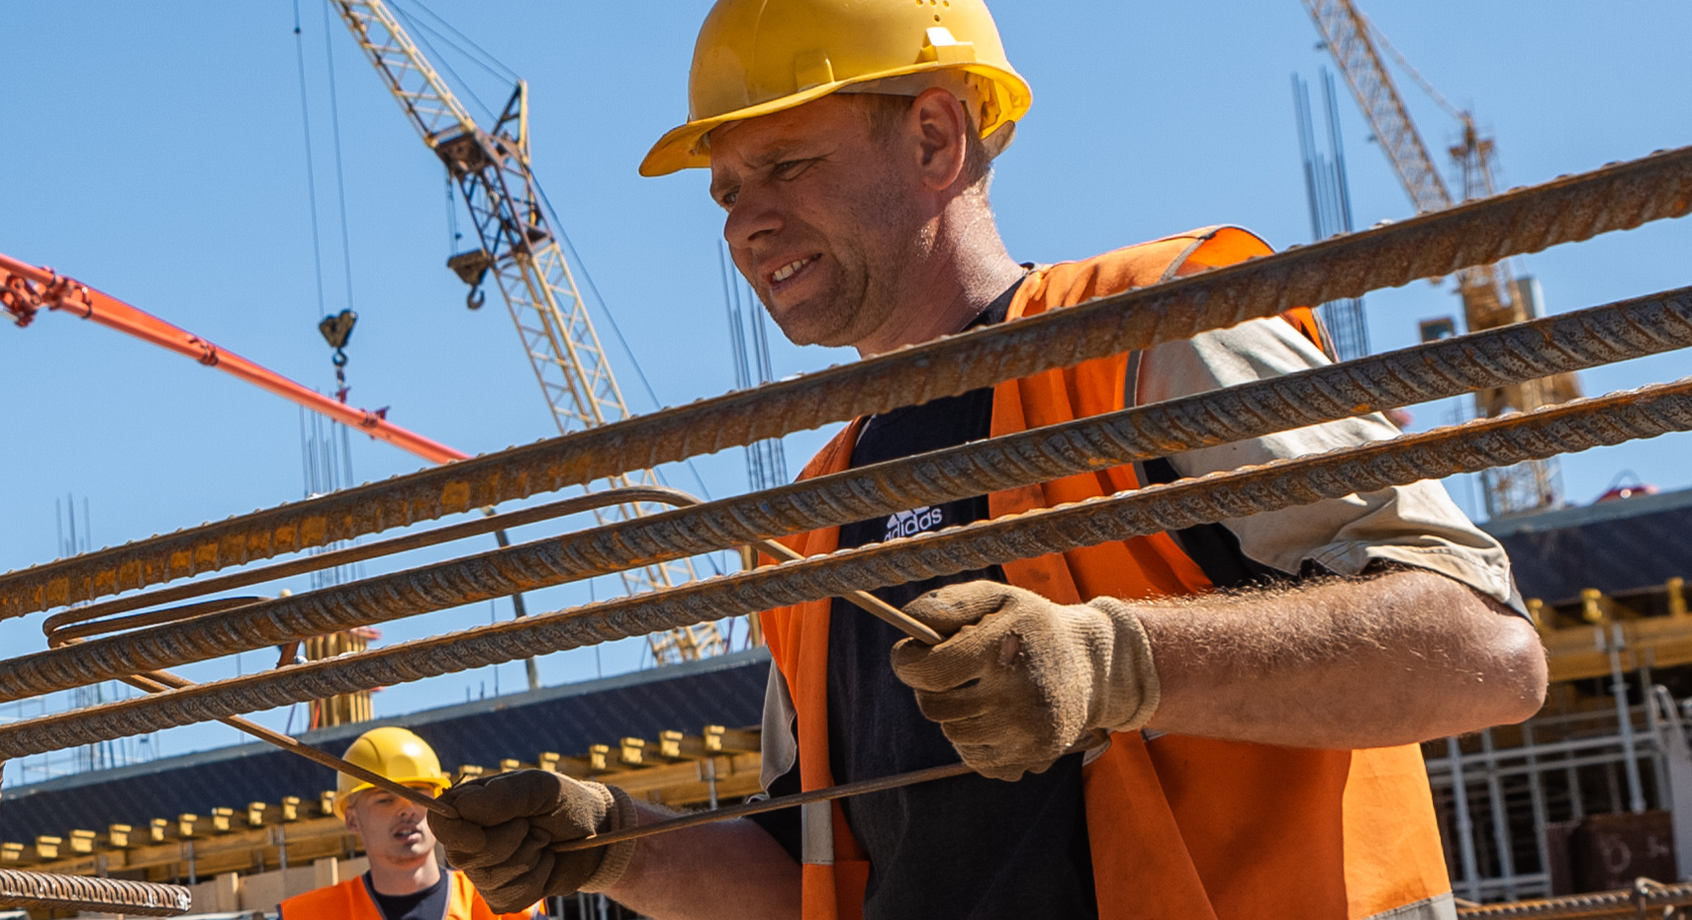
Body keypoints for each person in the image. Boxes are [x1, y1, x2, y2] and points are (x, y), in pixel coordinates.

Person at [418, 3, 1547, 919]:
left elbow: (1482, 645)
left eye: (786, 166)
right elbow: (818, 864)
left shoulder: (1151, 336)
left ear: (934, 138)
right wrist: (616, 847)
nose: (744, 224)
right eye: (726, 191)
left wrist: (1117, 659)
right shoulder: (818, 508)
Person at [277, 728, 541, 920]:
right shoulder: (310, 915)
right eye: (385, 800)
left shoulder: (499, 905)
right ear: (352, 818)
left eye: (417, 795)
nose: (407, 811)